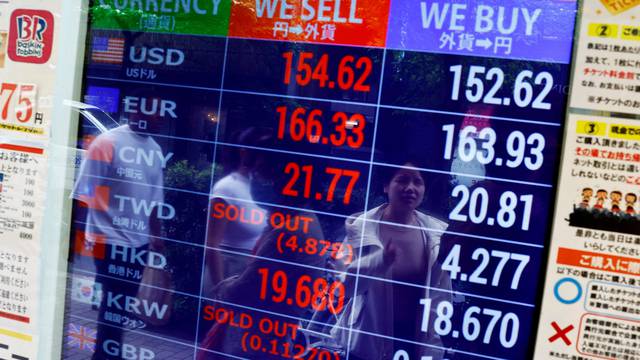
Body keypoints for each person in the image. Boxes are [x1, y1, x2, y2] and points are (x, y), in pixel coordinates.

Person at [332, 162, 450, 360]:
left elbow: (442, 295)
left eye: (417, 182)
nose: (410, 188)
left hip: (415, 344)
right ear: (386, 185)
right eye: (402, 180)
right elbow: (345, 288)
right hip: (367, 344)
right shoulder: (361, 228)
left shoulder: (436, 234)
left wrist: (436, 342)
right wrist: (380, 261)